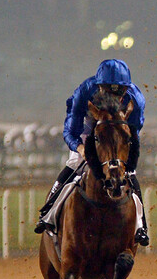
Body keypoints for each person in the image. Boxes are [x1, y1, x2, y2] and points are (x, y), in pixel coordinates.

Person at [34, 59, 149, 246]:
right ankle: (49, 212)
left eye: (119, 91)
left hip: (117, 131)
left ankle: (140, 226)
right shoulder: (84, 92)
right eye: (109, 90)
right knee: (74, 165)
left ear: (126, 90)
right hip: (89, 129)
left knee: (129, 173)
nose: (114, 95)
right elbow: (70, 132)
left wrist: (124, 160)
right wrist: (81, 149)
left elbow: (132, 135)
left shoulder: (136, 99)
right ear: (99, 87)